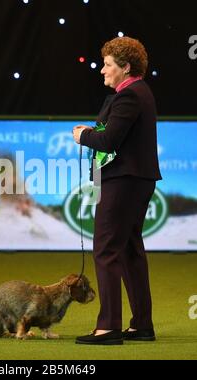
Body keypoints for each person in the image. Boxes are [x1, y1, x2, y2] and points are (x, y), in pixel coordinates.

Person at [72, 36, 162, 345]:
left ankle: (108, 326)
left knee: (107, 250)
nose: (102, 70)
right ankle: (141, 325)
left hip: (124, 181)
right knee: (129, 250)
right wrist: (94, 133)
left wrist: (83, 135)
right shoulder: (136, 93)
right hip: (134, 180)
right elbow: (111, 135)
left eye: (108, 65)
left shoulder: (130, 96)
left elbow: (108, 141)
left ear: (125, 67)